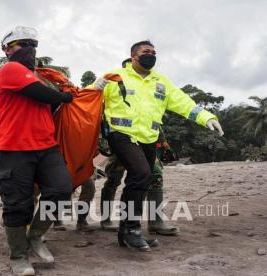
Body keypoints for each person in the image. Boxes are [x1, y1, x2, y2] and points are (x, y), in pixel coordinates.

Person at [94, 40, 224, 251]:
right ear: (133, 55)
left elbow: (182, 102)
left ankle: (125, 233)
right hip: (121, 134)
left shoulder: (160, 81)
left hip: (148, 137)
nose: (152, 55)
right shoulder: (114, 76)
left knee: (144, 179)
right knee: (140, 174)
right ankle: (132, 229)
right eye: (146, 52)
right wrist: (94, 87)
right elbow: (88, 99)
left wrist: (205, 116)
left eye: (154, 52)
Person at [0, 26, 73, 275]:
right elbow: (41, 94)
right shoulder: (10, 69)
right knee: (18, 203)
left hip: (46, 145)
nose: (30, 49)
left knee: (61, 190)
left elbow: (48, 102)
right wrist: (64, 97)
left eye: (33, 44)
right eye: (23, 44)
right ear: (7, 49)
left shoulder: (38, 75)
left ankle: (35, 235)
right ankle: (18, 256)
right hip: (13, 147)